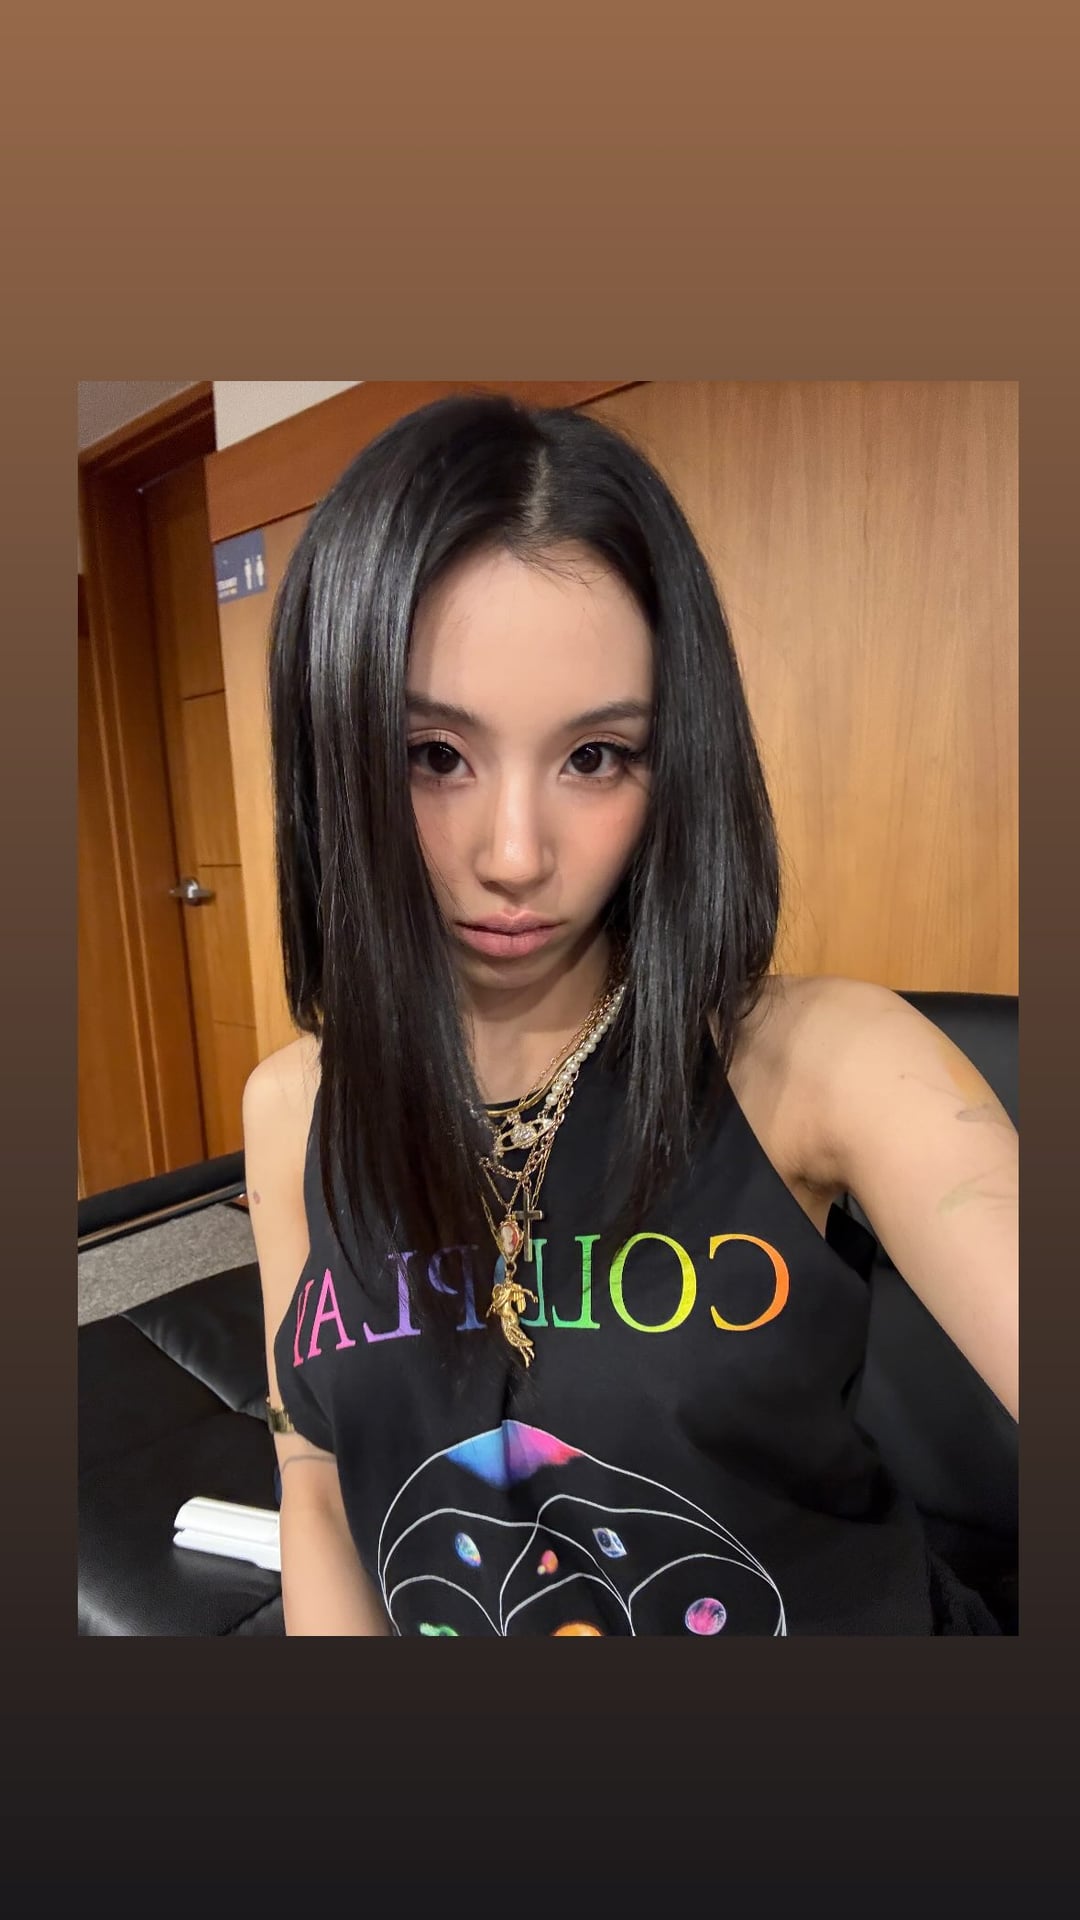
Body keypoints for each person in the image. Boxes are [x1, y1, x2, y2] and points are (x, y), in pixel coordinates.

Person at [242, 392, 1018, 1637]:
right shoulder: (293, 1108)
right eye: (433, 754)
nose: (513, 856)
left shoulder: (829, 1063)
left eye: (594, 757)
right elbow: (319, 1479)